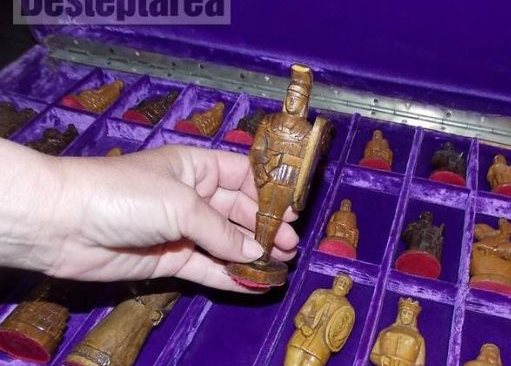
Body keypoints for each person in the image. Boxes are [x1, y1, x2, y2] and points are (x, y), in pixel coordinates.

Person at [0, 137, 299, 293]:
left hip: (279, 179)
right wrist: (63, 203)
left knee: (273, 214)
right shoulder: (273, 124)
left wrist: (61, 207)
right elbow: (260, 148)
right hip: (269, 175)